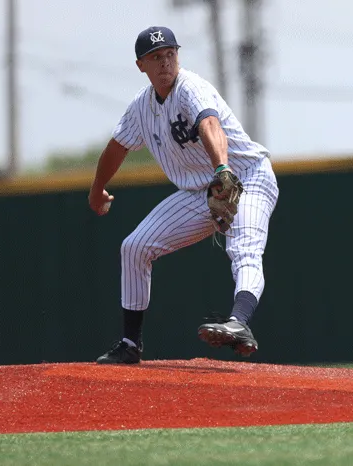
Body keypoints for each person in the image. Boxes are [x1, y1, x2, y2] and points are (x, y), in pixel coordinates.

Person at [89, 26, 279, 364]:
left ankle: (239, 323)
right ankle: (130, 344)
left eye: (170, 54)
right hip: (198, 191)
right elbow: (117, 148)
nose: (165, 62)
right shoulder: (141, 107)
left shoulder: (191, 88)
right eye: (156, 57)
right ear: (140, 65)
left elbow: (210, 125)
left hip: (246, 176)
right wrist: (97, 187)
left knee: (244, 247)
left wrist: (222, 170)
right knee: (134, 247)